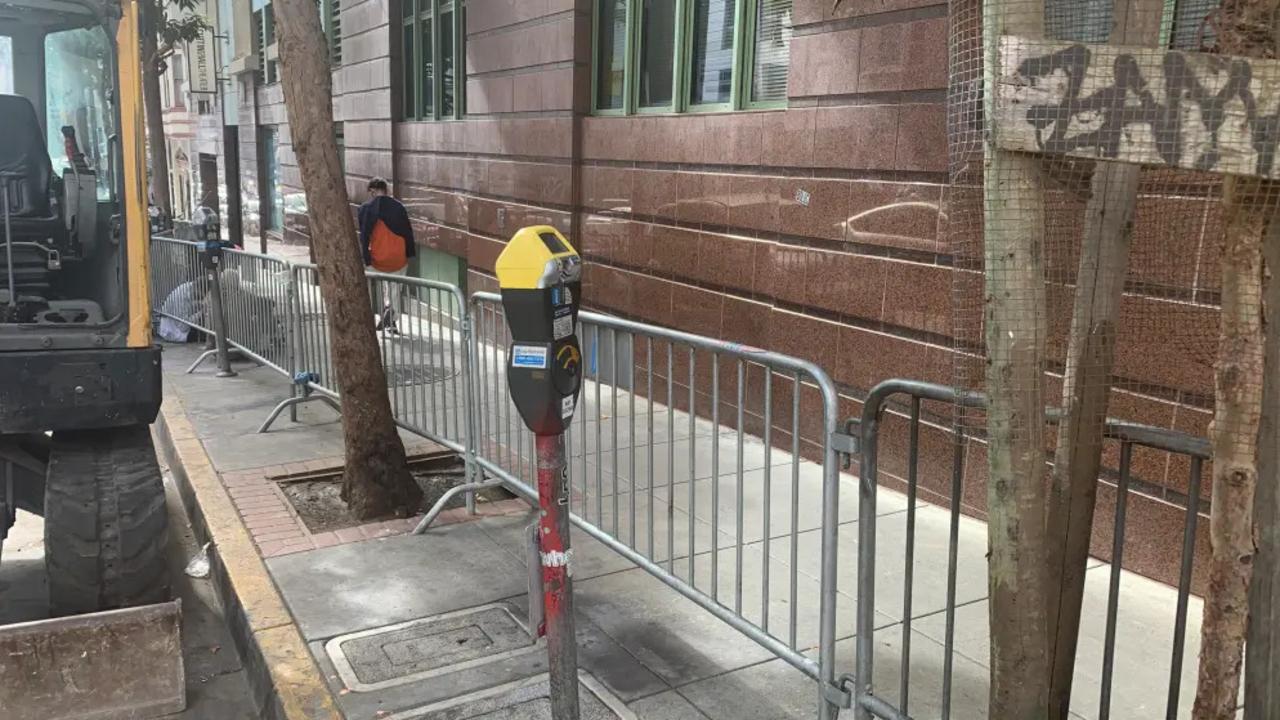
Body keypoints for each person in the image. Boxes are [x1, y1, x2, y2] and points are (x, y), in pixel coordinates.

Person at [357, 177, 416, 335]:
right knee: (395, 288)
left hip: (378, 259)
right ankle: (391, 316)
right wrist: (409, 254)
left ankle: (374, 316)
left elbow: (364, 237)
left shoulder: (365, 208)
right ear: (386, 189)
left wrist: (366, 259)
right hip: (399, 258)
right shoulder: (399, 207)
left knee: (375, 286)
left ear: (373, 191)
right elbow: (408, 233)